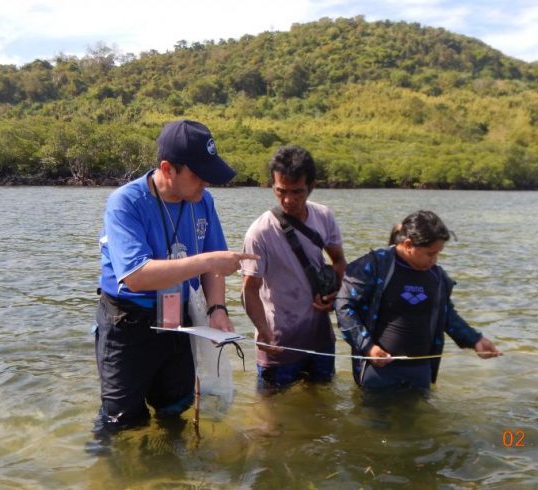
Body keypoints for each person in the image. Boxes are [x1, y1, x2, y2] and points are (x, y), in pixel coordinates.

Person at [93, 119, 257, 432]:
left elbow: (214, 268)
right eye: (198, 175)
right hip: (127, 322)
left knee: (175, 408)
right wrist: (207, 260)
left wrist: (217, 309)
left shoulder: (202, 200)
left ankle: (174, 472)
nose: (206, 184)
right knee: (121, 422)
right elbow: (136, 276)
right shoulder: (125, 203)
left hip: (177, 319)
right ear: (168, 169)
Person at [335, 210, 501, 391]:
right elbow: (344, 305)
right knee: (374, 418)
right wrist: (367, 346)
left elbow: (447, 315)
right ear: (408, 245)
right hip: (379, 370)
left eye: (438, 254)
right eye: (430, 254)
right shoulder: (374, 266)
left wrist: (475, 340)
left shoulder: (437, 277)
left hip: (420, 371)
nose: (434, 260)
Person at [241, 145, 347, 389]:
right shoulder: (260, 232)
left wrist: (335, 295)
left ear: (312, 186)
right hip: (278, 343)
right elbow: (249, 289)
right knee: (271, 417)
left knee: (322, 411)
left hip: (320, 338)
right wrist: (262, 331)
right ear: (272, 186)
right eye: (281, 191)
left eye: (297, 192)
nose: (288, 200)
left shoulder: (324, 217)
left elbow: (339, 261)